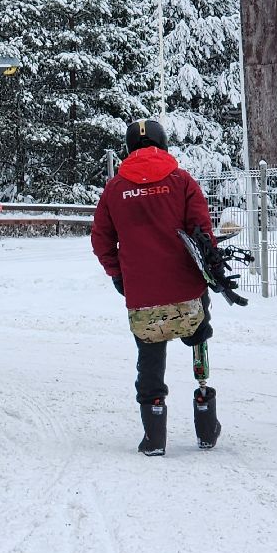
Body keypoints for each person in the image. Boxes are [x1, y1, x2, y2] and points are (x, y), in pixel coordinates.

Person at [91, 118, 219, 456]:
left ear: (128, 149)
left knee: (149, 355)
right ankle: (206, 418)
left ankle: (154, 434)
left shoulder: (115, 189)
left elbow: (101, 238)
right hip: (188, 289)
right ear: (163, 145)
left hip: (143, 294)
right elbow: (202, 231)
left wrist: (118, 274)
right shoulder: (181, 180)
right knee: (198, 336)